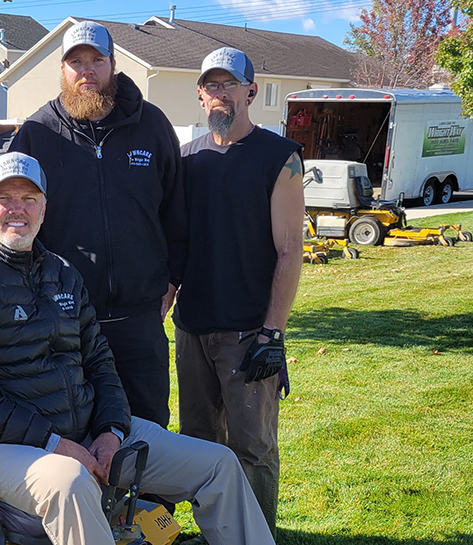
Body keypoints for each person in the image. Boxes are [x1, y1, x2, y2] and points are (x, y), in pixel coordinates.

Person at [0, 152, 275, 545]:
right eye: (6, 198)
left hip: (85, 434)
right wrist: (54, 443)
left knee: (217, 463)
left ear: (44, 209)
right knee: (70, 481)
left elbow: (100, 362)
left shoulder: (62, 273)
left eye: (29, 198)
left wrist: (112, 430)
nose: (18, 209)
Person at [9, 21, 185, 427]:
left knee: (149, 429)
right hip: (64, 322)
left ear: (113, 65)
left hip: (140, 319)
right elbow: (16, 224)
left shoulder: (152, 125)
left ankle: (147, 496)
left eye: (96, 60)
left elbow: (176, 212)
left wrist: (172, 280)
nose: (86, 71)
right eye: (76, 62)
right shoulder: (36, 134)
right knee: (75, 431)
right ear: (63, 69)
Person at [172, 47, 305, 537]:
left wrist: (273, 333)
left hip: (250, 332)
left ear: (250, 90)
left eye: (230, 83)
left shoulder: (278, 157)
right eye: (210, 85)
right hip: (193, 329)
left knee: (252, 449)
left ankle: (255, 534)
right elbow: (177, 245)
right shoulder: (187, 159)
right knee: (200, 443)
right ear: (201, 94)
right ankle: (215, 531)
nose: (219, 93)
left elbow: (291, 249)